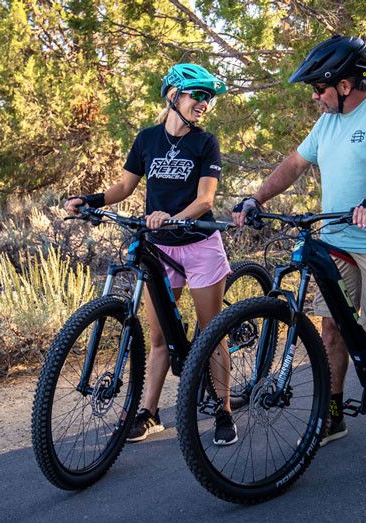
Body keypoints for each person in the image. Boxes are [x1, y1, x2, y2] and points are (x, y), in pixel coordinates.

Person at [232, 35, 366, 474]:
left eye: (318, 88)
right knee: (331, 333)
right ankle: (334, 415)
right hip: (338, 244)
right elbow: (292, 164)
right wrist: (257, 199)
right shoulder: (327, 122)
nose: (314, 97)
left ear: (344, 85)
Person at [64, 63, 237, 446]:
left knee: (212, 332)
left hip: (200, 244)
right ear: (174, 95)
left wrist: (172, 218)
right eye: (198, 95)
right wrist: (89, 200)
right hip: (161, 248)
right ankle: (149, 413)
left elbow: (205, 199)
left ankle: (223, 410)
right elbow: (124, 186)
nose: (204, 104)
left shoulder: (204, 142)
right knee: (158, 338)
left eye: (208, 98)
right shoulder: (147, 140)